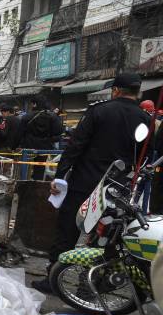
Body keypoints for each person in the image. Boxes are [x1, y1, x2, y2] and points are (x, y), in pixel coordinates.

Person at [35, 73, 148, 293]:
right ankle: (89, 286)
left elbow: (76, 145)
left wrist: (60, 175)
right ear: (137, 93)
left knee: (67, 230)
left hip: (84, 183)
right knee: (103, 237)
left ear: (115, 90)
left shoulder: (99, 111)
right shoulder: (144, 119)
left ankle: (54, 277)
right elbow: (142, 155)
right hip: (117, 188)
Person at [18, 96, 64, 180]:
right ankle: (37, 185)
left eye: (31, 104)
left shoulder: (26, 117)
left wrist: (18, 145)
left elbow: (20, 134)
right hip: (44, 148)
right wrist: (49, 140)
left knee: (26, 170)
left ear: (35, 104)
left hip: (28, 148)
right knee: (40, 169)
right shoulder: (53, 117)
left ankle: (25, 185)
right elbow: (59, 133)